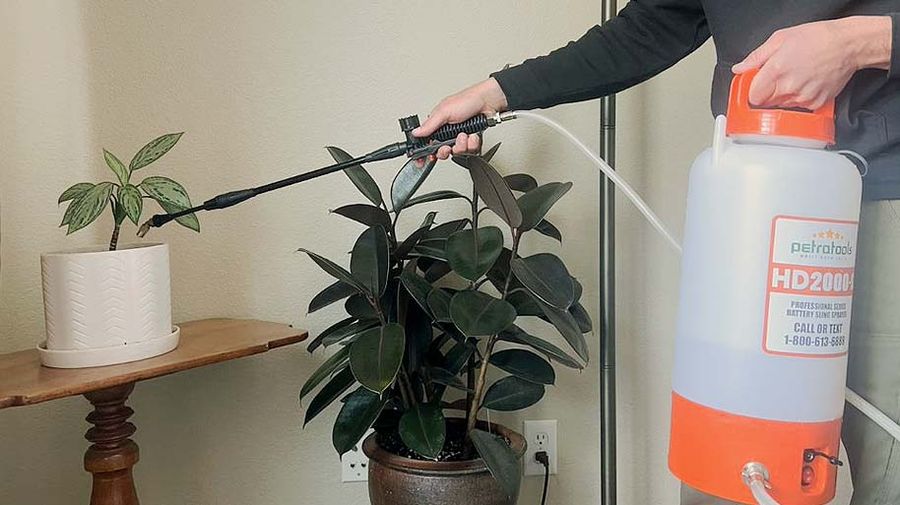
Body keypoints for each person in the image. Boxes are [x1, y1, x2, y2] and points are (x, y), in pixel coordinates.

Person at [414, 3, 900, 504]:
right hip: (752, 196)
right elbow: (654, 23)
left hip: (888, 189)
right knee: (732, 467)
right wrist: (496, 93)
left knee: (891, 470)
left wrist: (862, 42)